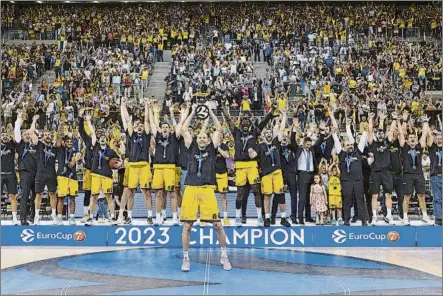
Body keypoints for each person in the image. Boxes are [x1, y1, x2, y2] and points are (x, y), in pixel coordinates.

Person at [180, 103, 231, 272]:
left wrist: (210, 112)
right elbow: (184, 129)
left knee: (218, 225)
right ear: (196, 139)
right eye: (199, 137)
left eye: (204, 138)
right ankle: (186, 259)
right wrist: (193, 112)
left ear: (209, 140)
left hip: (208, 189)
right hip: (191, 188)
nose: (201, 139)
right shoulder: (191, 146)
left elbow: (218, 129)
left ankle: (224, 256)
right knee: (187, 225)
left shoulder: (212, 147)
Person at [221, 101, 276, 226]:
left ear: (250, 125)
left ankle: (259, 217)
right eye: (243, 122)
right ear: (240, 124)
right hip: (240, 166)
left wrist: (270, 114)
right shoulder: (236, 133)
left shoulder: (254, 133)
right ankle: (237, 217)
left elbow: (262, 124)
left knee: (256, 191)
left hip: (252, 165)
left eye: (247, 122)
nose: (245, 123)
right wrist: (224, 107)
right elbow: (229, 120)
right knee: (240, 193)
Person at [148, 99, 185, 225]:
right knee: (158, 193)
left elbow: (180, 125)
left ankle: (175, 217)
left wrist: (181, 114)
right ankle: (158, 217)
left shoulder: (174, 137)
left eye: (166, 127)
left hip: (170, 167)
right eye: (163, 127)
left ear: (169, 130)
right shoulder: (157, 136)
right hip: (158, 168)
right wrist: (152, 111)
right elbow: (152, 123)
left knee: (172, 193)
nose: (164, 128)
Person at [119, 99, 153, 224]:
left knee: (146, 192)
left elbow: (148, 121)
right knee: (130, 191)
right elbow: (127, 120)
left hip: (144, 166)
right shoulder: (131, 135)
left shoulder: (147, 135)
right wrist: (123, 105)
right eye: (138, 125)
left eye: (141, 125)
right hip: (132, 166)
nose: (140, 126)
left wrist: (146, 107)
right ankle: (129, 217)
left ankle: (150, 217)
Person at [332, 118, 369, 226]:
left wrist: (365, 131)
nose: (350, 146)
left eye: (351, 145)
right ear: (344, 147)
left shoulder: (358, 152)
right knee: (346, 201)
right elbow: (337, 142)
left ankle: (363, 220)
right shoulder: (341, 154)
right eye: (348, 145)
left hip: (358, 180)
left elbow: (362, 141)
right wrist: (334, 134)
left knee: (360, 201)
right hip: (346, 181)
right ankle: (346, 220)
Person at [257, 111, 291, 227]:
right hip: (266, 174)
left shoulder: (276, 142)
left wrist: (284, 116)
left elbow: (281, 130)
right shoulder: (260, 146)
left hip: (277, 173)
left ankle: (283, 218)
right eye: (266, 133)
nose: (268, 134)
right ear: (263, 135)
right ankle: (267, 218)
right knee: (267, 196)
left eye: (270, 132)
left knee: (281, 195)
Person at [397, 112, 432, 225]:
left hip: (418, 174)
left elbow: (425, 134)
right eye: (410, 137)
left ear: (416, 139)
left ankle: (425, 216)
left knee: (421, 195)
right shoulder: (404, 146)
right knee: (407, 196)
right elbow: (401, 133)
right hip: (407, 174)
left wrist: (425, 122)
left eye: (414, 137)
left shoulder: (419, 146)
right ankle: (405, 217)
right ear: (408, 139)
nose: (412, 138)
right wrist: (401, 121)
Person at [86, 115, 121, 226]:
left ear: (107, 140)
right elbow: (92, 133)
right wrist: (88, 121)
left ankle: (112, 217)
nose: (102, 139)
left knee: (109, 197)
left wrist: (119, 164)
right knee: (94, 197)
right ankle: (90, 217)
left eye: (104, 138)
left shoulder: (111, 151)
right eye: (100, 137)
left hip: (107, 176)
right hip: (96, 174)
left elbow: (119, 161)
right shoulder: (95, 146)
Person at [367, 112, 395, 225]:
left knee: (388, 194)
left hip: (386, 172)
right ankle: (374, 217)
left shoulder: (387, 143)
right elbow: (369, 131)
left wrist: (392, 119)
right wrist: (370, 118)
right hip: (375, 172)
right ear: (376, 134)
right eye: (378, 133)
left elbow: (392, 130)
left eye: (382, 133)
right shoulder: (372, 144)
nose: (380, 135)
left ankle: (389, 215)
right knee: (375, 195)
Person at [14, 112, 38, 225]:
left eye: (28, 134)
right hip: (25, 172)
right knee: (24, 195)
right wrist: (19, 119)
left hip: (36, 172)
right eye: (25, 134)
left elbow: (32, 132)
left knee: (35, 196)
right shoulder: (20, 144)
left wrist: (34, 121)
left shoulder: (35, 144)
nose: (27, 135)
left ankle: (33, 217)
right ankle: (23, 218)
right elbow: (17, 131)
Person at [34, 130, 58, 225]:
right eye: (46, 135)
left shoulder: (55, 148)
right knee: (38, 194)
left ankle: (53, 214)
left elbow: (59, 140)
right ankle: (36, 215)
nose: (48, 136)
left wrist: (59, 128)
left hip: (51, 173)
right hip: (40, 173)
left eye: (49, 135)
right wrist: (35, 120)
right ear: (43, 136)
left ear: (52, 137)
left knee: (52, 194)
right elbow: (33, 135)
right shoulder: (39, 145)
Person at [56, 135, 81, 225]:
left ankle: (72, 218)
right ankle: (59, 218)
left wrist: (75, 159)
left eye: (71, 142)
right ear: (64, 143)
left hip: (73, 177)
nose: (70, 143)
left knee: (72, 198)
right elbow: (58, 140)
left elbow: (79, 154)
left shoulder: (75, 150)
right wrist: (60, 127)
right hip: (62, 176)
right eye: (67, 142)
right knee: (61, 198)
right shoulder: (60, 149)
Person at [1, 131, 18, 225]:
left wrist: (11, 132)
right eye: (3, 135)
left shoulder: (11, 146)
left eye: (6, 135)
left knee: (12, 196)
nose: (5, 137)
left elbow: (15, 139)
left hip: (11, 174)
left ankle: (14, 218)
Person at [427, 123, 442, 226]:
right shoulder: (432, 148)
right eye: (438, 138)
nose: (439, 139)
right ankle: (438, 218)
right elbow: (428, 136)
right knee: (437, 198)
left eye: (441, 138)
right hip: (435, 176)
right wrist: (432, 132)